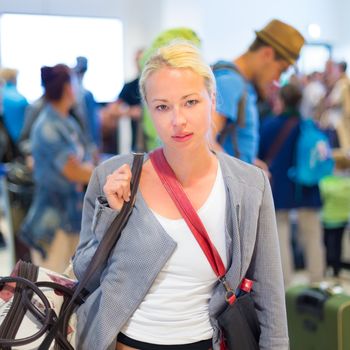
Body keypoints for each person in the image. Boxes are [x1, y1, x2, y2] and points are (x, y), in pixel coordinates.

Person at [73, 41, 288, 350]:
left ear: (212, 100)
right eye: (162, 106)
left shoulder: (248, 185)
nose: (178, 120)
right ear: (149, 110)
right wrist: (111, 215)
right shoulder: (114, 177)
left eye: (190, 102)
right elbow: (86, 277)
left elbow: (270, 297)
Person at [19, 64, 94, 273]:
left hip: (73, 216)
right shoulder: (48, 126)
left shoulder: (67, 122)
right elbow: (73, 171)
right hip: (53, 222)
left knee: (71, 286)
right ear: (68, 88)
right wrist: (98, 172)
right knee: (51, 291)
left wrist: (87, 168)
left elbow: (84, 161)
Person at [211, 19, 305, 167]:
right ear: (267, 54)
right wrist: (244, 176)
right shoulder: (230, 82)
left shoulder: (242, 84)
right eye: (281, 70)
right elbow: (203, 143)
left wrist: (251, 164)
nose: (277, 80)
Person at [259, 84, 325, 286]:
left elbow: (260, 156)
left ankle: (285, 286)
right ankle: (317, 282)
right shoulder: (308, 125)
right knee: (313, 236)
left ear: (282, 100)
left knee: (281, 236)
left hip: (280, 189)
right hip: (308, 188)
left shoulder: (270, 125)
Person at [99, 49, 144, 153]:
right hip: (139, 144)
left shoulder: (158, 85)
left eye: (142, 60)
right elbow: (112, 109)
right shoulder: (130, 86)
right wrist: (131, 112)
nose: (139, 64)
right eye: (137, 60)